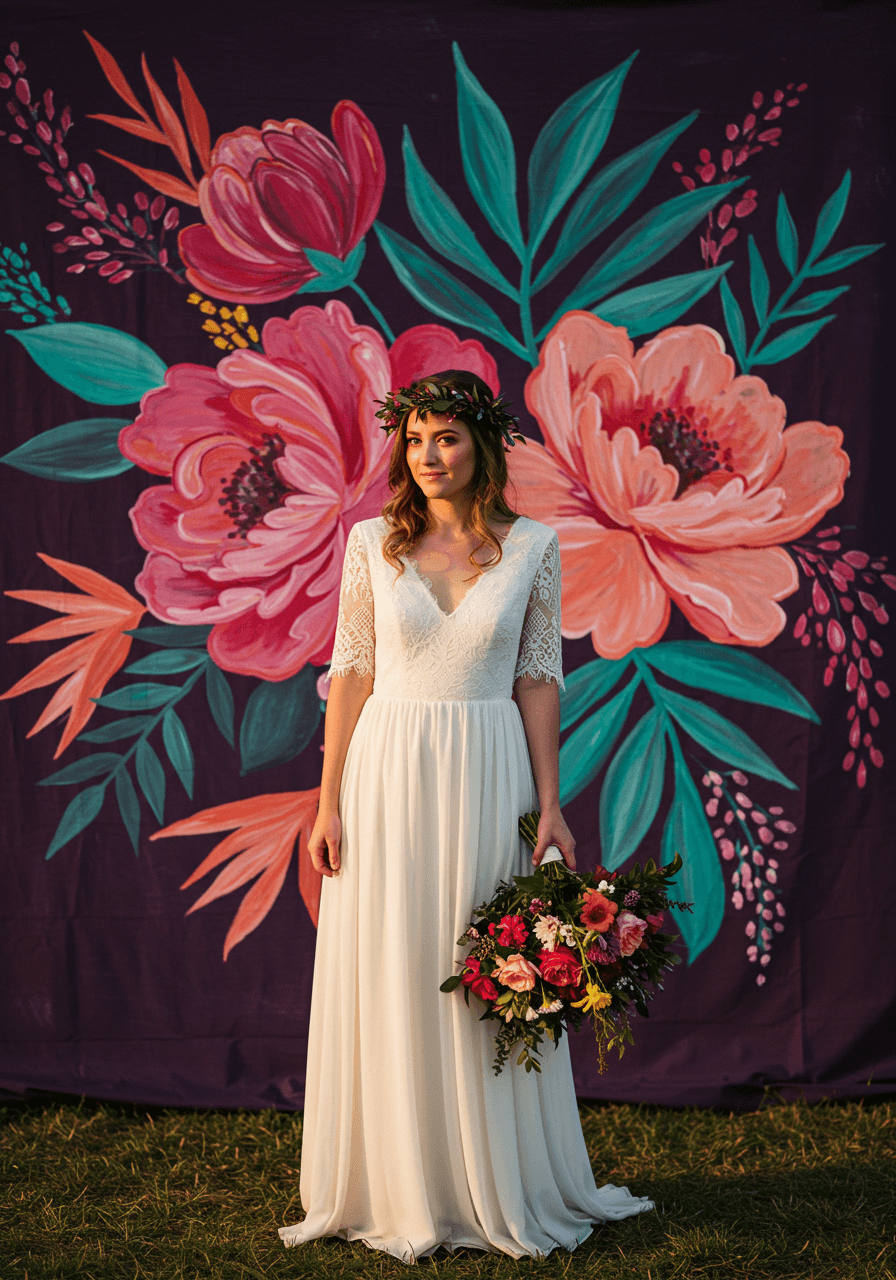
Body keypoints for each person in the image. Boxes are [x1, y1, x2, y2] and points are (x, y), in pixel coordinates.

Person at [279, 370, 653, 1262]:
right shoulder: (372, 541)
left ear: (481, 445)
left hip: (491, 774)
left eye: (444, 437)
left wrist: (552, 802)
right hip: (387, 771)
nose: (428, 455)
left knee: (478, 968)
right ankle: (396, 1181)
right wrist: (329, 800)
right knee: (396, 963)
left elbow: (536, 679)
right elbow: (353, 675)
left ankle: (494, 1177)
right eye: (413, 440)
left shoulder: (533, 548)